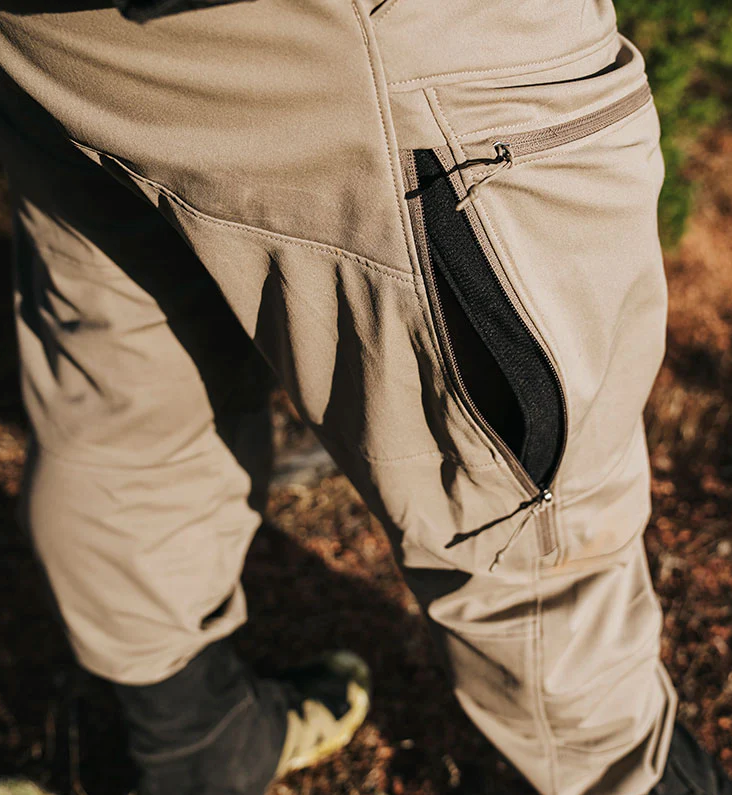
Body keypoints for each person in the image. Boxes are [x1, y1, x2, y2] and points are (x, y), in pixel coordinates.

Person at [0, 1, 730, 794]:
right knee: (536, 530)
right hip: (362, 34)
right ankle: (627, 774)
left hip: (56, 36)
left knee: (128, 378)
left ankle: (192, 743)